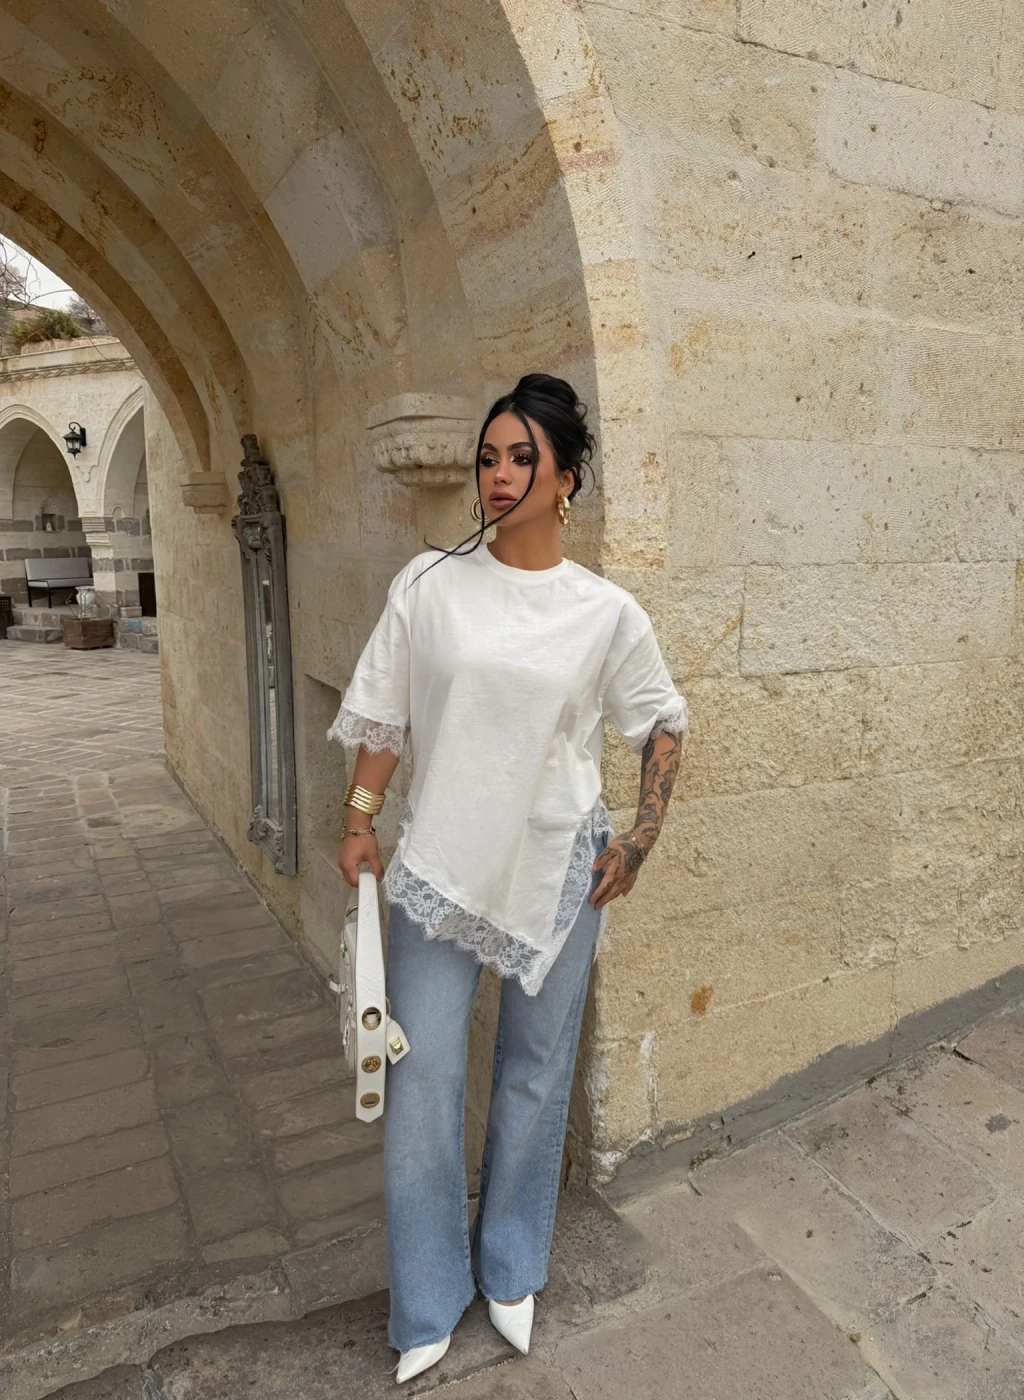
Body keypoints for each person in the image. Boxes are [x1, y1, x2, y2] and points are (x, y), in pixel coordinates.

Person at [330, 373, 687, 1385]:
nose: (497, 474)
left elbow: (661, 720)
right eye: (489, 456)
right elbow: (386, 712)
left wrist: (640, 838)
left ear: (566, 479)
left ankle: (513, 1266)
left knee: (536, 1070)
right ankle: (427, 1297)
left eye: (522, 457)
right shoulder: (428, 585)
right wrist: (357, 819)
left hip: (560, 866)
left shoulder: (605, 612)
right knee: (421, 1076)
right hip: (440, 863)